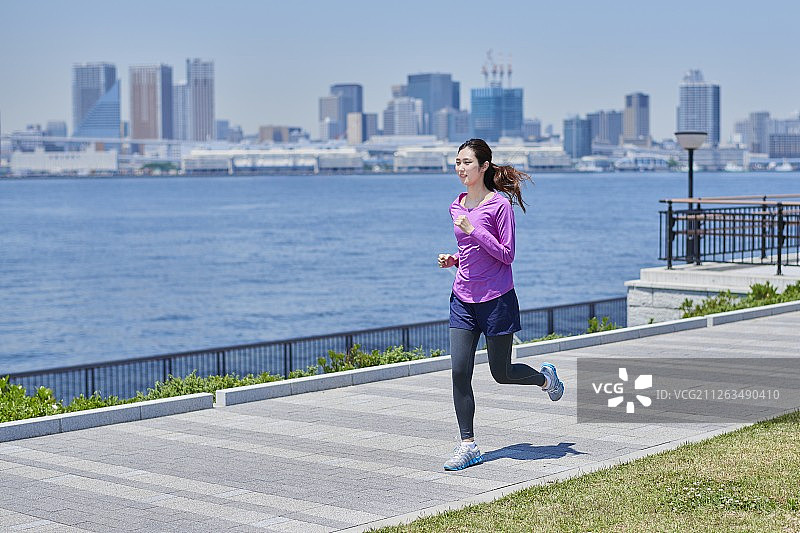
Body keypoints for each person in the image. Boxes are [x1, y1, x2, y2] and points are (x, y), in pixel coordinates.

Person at [437, 138, 564, 471]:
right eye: (457, 161)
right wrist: (454, 259)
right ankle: (468, 445)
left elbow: (507, 255)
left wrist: (473, 230)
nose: (460, 167)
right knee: (459, 372)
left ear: (483, 167)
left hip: (497, 301)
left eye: (467, 162)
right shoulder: (456, 205)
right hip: (462, 298)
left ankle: (544, 379)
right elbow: (470, 251)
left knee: (501, 372)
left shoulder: (499, 206)